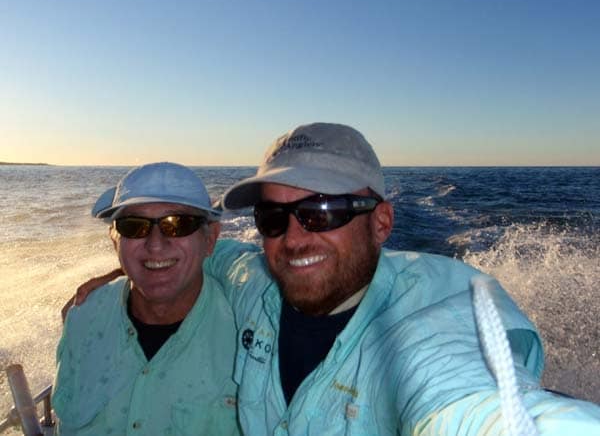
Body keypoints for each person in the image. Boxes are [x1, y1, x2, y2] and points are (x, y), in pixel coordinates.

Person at [74, 124, 600, 435]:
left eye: (322, 212)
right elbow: (198, 253)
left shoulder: (433, 310)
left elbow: (466, 401)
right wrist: (130, 267)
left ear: (382, 222)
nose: (294, 238)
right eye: (273, 218)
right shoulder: (254, 281)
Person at [53, 162, 241, 435]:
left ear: (210, 239)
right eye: (133, 226)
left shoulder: (248, 330)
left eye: (178, 224)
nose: (155, 244)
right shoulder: (82, 316)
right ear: (115, 241)